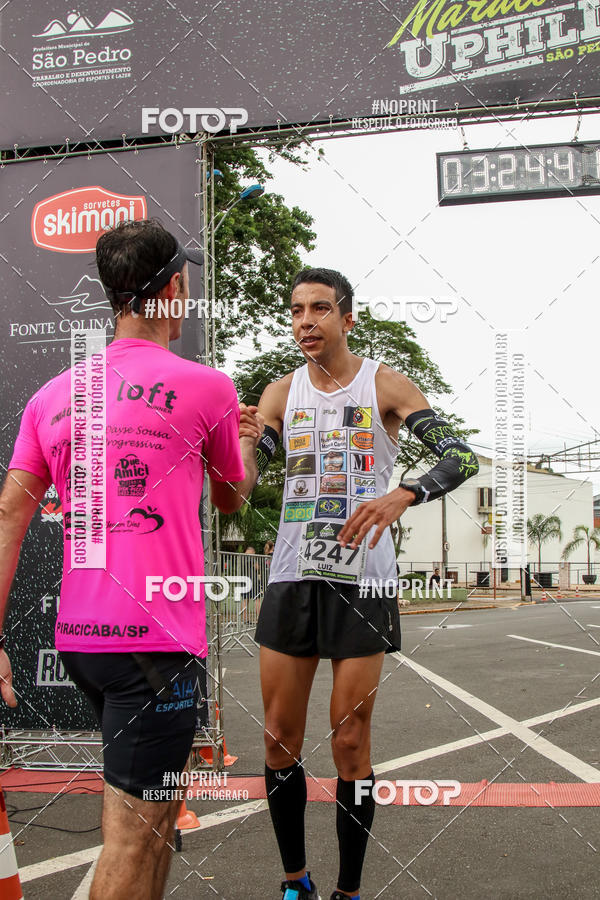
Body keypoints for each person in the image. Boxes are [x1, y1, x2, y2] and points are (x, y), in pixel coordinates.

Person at [0, 219, 263, 900]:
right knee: (132, 836)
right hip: (155, 647)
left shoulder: (52, 395)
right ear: (173, 290)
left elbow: (10, 517)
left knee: (156, 823)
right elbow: (232, 499)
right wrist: (250, 442)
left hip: (83, 641)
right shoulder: (208, 388)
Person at [250, 267, 479, 900]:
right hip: (293, 577)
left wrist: (405, 493)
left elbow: (460, 456)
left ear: (347, 318)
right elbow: (245, 473)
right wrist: (235, 443)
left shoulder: (384, 384)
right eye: (296, 310)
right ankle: (294, 880)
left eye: (320, 309)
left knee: (350, 740)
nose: (305, 321)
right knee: (278, 738)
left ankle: (349, 890)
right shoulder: (279, 393)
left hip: (363, 584)